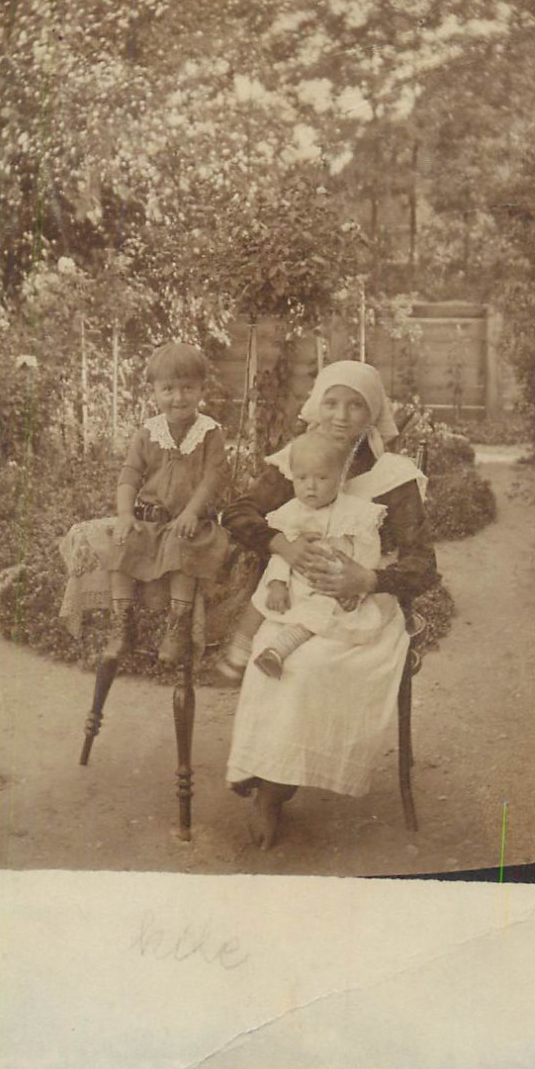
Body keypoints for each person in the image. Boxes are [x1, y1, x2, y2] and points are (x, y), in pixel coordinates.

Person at [221, 360, 437, 850]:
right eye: (332, 402)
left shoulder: (394, 476)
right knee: (267, 659)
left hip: (365, 613)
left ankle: (273, 784)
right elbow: (237, 513)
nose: (341, 416)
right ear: (317, 404)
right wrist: (284, 547)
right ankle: (267, 777)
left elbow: (424, 564)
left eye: (356, 404)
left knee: (308, 666)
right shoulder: (298, 459)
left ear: (372, 412)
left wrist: (369, 577)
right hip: (294, 600)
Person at [59, 342, 229, 665]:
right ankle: (122, 623)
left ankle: (177, 626)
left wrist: (193, 512)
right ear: (153, 392)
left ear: (201, 389)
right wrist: (125, 515)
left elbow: (213, 478)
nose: (178, 398)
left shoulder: (210, 433)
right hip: (150, 520)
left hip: (189, 522)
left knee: (183, 549)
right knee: (123, 544)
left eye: (188, 388)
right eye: (168, 389)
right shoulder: (147, 433)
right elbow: (129, 477)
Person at [247, 430, 390, 679]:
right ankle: (273, 650)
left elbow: (368, 551)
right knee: (299, 610)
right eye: (302, 478)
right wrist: (278, 584)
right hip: (299, 583)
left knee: (324, 609)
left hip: (338, 584)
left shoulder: (354, 512)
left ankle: (279, 649)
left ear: (339, 477)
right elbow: (282, 553)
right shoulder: (291, 513)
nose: (311, 486)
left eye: (322, 478)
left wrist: (357, 588)